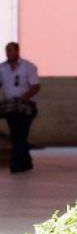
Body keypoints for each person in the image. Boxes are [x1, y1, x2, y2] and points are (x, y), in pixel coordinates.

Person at [0, 42, 40, 173]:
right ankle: (26, 162)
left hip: (26, 107)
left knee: (20, 134)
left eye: (11, 51)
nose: (8, 53)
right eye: (7, 51)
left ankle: (16, 164)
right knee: (17, 135)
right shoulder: (2, 68)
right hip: (11, 107)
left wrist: (26, 97)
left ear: (17, 51)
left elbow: (35, 87)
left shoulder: (28, 67)